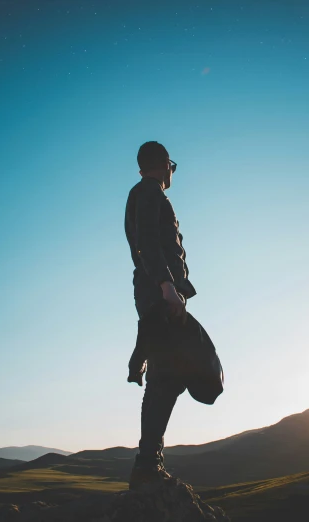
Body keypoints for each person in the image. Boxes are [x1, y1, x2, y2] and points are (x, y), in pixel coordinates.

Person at [124, 141, 197, 489]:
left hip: (157, 290)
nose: (172, 171)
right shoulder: (149, 192)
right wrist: (168, 286)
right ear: (164, 163)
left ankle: (149, 459)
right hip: (159, 292)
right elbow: (149, 243)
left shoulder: (143, 193)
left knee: (167, 373)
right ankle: (148, 462)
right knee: (167, 375)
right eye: (172, 165)